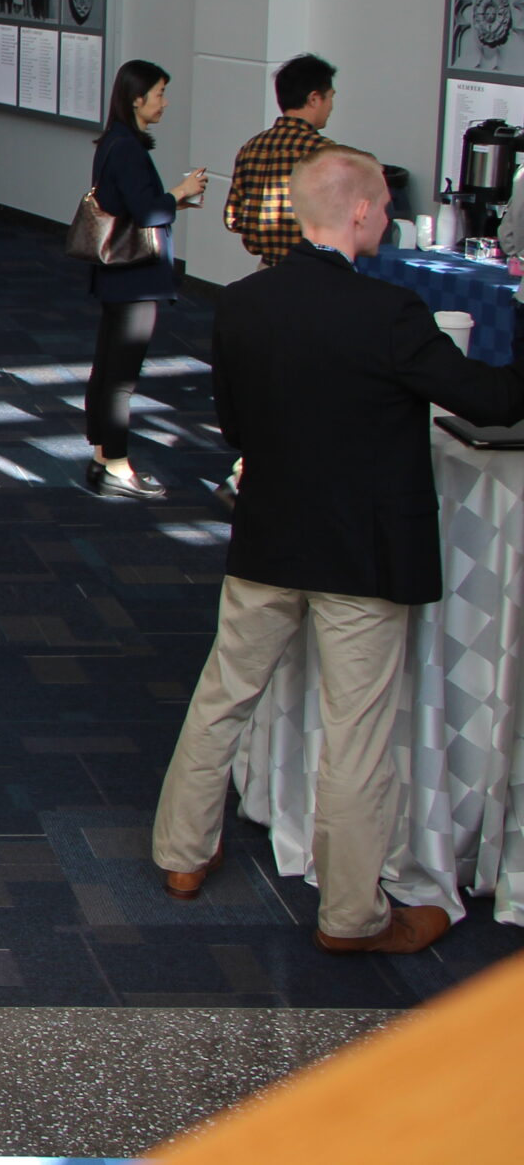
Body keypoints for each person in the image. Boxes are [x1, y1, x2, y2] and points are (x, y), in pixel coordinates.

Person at [153, 145, 524, 955]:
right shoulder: (390, 313)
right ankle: (352, 914)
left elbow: (236, 427)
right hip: (362, 554)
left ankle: (180, 854)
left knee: (223, 695)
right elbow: (491, 402)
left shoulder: (243, 303)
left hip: (269, 537)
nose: (389, 218)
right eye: (385, 207)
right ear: (357, 212)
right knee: (356, 735)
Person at [85, 60, 209, 499]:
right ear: (137, 99)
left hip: (117, 274)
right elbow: (149, 212)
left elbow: (130, 204)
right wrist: (181, 191)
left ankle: (103, 457)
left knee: (108, 367)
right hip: (135, 278)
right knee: (121, 377)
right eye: (159, 93)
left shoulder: (111, 143)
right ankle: (117, 466)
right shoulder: (129, 149)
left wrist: (171, 199)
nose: (164, 102)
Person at [225, 54, 338, 266]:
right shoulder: (324, 152)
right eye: (330, 97)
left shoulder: (251, 147)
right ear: (314, 98)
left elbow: (233, 218)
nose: (331, 106)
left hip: (266, 270)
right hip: (310, 270)